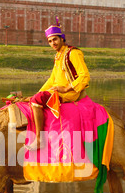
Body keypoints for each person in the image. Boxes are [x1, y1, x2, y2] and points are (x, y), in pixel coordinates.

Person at [26, 18, 90, 150]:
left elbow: (85, 76)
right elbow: (52, 79)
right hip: (57, 91)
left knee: (37, 100)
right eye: (50, 41)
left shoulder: (73, 53)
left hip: (70, 93)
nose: (52, 43)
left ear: (62, 38)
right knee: (36, 97)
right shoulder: (58, 56)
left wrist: (66, 88)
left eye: (55, 39)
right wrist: (37, 93)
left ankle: (39, 139)